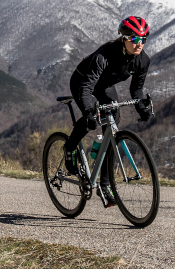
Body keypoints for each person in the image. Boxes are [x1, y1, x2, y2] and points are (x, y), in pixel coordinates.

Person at [63, 16, 154, 206]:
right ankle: (69, 147)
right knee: (91, 118)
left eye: (143, 39)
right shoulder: (104, 56)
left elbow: (136, 90)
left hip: (104, 86)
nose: (140, 44)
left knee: (113, 122)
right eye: (136, 39)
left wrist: (142, 108)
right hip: (83, 82)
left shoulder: (142, 60)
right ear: (124, 37)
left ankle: (105, 184)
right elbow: (86, 88)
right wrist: (89, 111)